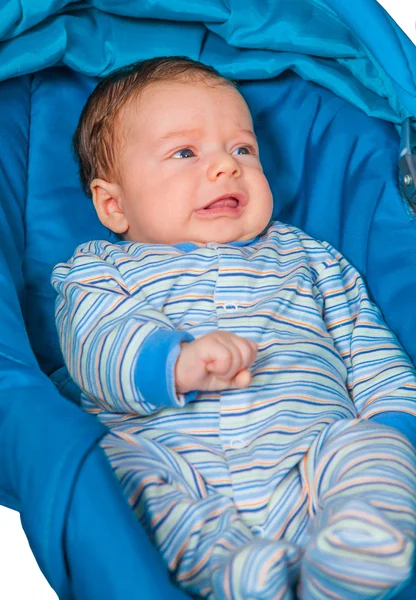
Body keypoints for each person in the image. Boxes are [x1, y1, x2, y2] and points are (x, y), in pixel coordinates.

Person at [52, 56, 416, 600]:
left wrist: (395, 430)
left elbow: (369, 350)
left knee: (373, 448)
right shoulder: (98, 270)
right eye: (185, 152)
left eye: (242, 149)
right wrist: (174, 362)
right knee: (113, 471)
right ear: (113, 204)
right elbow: (94, 346)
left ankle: (354, 552)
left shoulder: (311, 258)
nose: (226, 167)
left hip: (311, 464)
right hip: (174, 466)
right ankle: (227, 569)